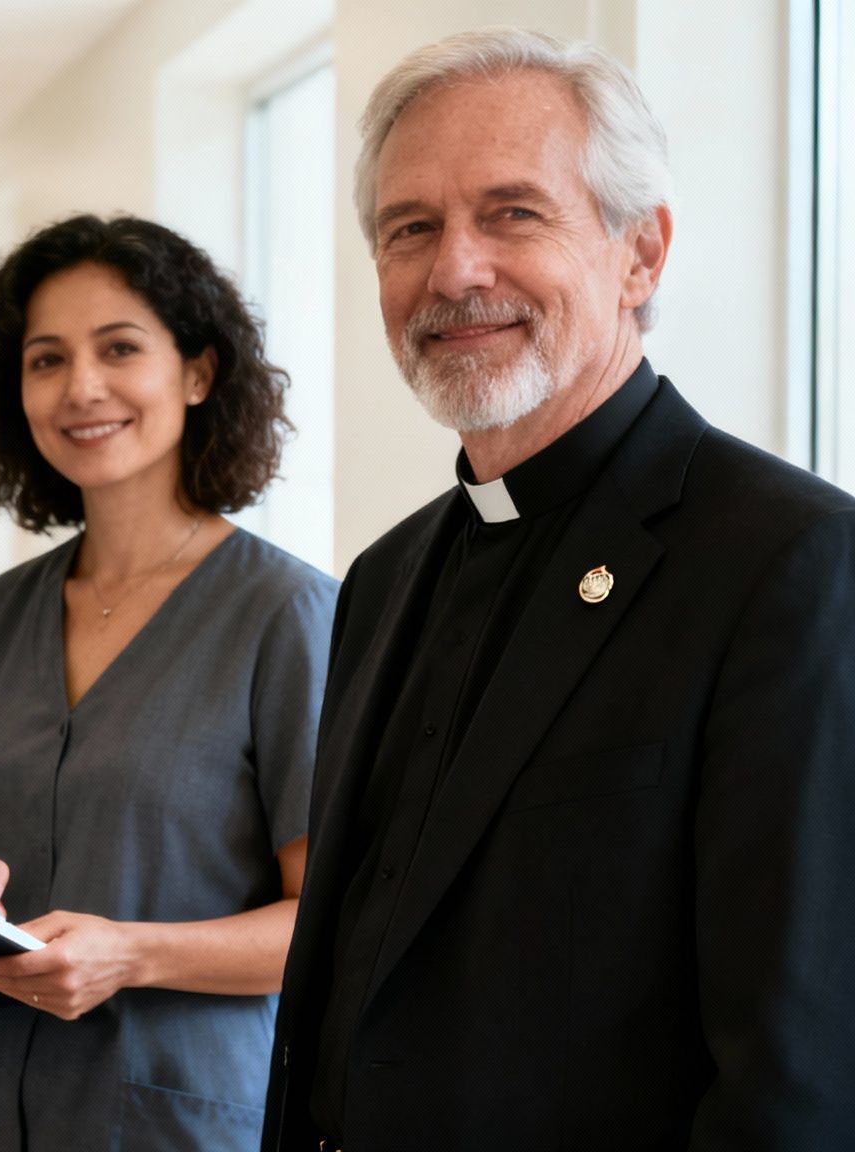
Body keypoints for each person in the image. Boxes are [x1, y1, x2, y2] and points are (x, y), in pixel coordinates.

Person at [262, 28, 855, 1150]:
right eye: (410, 229)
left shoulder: (788, 563)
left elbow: (798, 1072)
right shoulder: (383, 579)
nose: (453, 271)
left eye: (512, 214)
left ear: (640, 254)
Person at [0, 214, 337, 1150]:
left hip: (174, 1115)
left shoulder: (285, 614)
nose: (81, 388)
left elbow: (332, 927)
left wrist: (133, 954)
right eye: (46, 359)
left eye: (120, 348)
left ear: (198, 372)